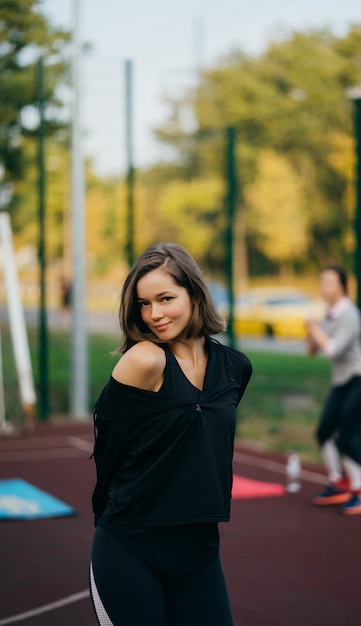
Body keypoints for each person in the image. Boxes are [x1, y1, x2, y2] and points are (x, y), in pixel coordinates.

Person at [89, 243, 252, 626]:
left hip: (200, 549)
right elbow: (109, 450)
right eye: (144, 304)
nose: (154, 314)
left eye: (165, 298)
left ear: (194, 294)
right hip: (131, 545)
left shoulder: (234, 368)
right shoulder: (144, 360)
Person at [305, 264, 361, 516]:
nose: (323, 286)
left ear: (342, 286)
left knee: (345, 435)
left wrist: (316, 329)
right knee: (324, 432)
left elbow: (334, 349)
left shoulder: (350, 314)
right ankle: (338, 484)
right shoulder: (328, 313)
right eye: (321, 281)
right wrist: (311, 331)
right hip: (342, 381)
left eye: (329, 282)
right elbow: (312, 351)